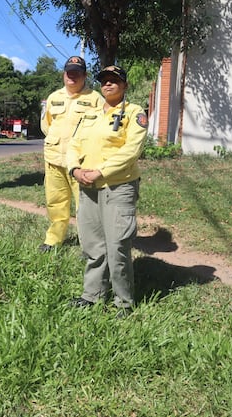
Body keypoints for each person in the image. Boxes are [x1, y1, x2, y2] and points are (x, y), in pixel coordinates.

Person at [66, 65, 149, 317]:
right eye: (104, 80)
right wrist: (75, 169)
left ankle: (123, 303)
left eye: (115, 80)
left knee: (118, 246)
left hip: (118, 186)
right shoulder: (89, 114)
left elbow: (131, 151)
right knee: (93, 245)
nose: (108, 84)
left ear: (124, 86)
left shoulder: (134, 113)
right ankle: (92, 296)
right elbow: (73, 145)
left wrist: (100, 171)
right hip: (88, 186)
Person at [39, 56, 103, 252]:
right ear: (63, 74)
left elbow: (101, 130)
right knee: (55, 202)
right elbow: (46, 125)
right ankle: (53, 239)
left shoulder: (95, 99)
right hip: (54, 159)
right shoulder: (53, 97)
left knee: (85, 206)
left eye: (77, 73)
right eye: (69, 72)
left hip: (81, 163)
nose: (72, 76)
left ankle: (89, 245)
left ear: (85, 75)